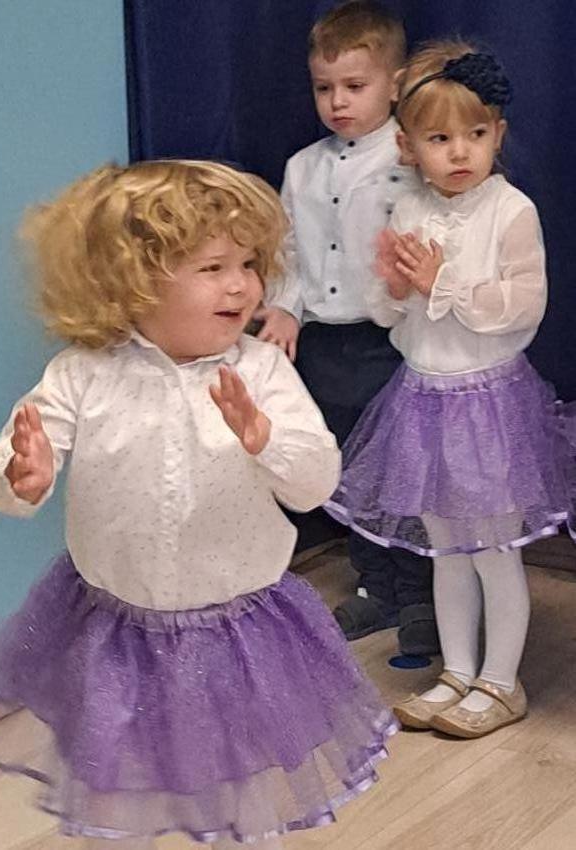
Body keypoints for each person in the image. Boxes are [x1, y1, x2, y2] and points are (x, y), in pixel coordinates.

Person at [0, 160, 397, 847]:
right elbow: (8, 461)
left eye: (249, 264)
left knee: (241, 781)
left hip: (239, 631)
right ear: (132, 280)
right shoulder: (82, 374)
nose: (242, 285)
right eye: (213, 267)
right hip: (115, 628)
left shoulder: (261, 370)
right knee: (118, 778)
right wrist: (20, 475)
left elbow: (315, 483)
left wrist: (266, 440)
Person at [325, 41, 576, 737]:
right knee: (446, 551)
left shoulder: (511, 210)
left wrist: (446, 284)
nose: (460, 151)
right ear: (407, 147)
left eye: (476, 133)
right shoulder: (408, 210)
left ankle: (502, 681)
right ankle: (458, 671)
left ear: (498, 133)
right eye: (439, 139)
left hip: (489, 406)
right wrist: (397, 289)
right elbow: (394, 321)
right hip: (424, 402)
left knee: (493, 550)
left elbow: (522, 308)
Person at [256, 1, 437, 655]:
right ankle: (374, 585)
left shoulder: (413, 158)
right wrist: (285, 306)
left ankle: (420, 593)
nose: (337, 102)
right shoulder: (302, 166)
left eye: (355, 86)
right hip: (325, 342)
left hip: (389, 340)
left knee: (402, 469)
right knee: (347, 467)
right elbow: (288, 251)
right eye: (324, 88)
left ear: (394, 84)